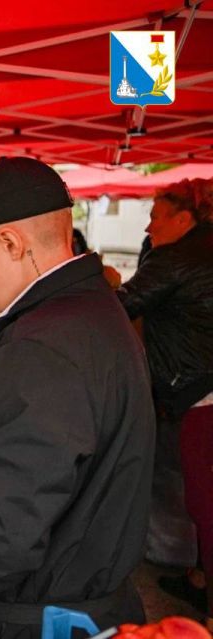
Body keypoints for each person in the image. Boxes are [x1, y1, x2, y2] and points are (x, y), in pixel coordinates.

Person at [0, 157, 154, 638]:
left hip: (37, 621)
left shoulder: (44, 345)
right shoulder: (93, 311)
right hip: (82, 601)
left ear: (11, 243)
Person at [116, 178, 213, 628]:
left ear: (183, 218)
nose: (149, 226)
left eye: (156, 216)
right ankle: (198, 577)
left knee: (204, 499)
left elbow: (121, 303)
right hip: (199, 385)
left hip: (200, 392)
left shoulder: (176, 258)